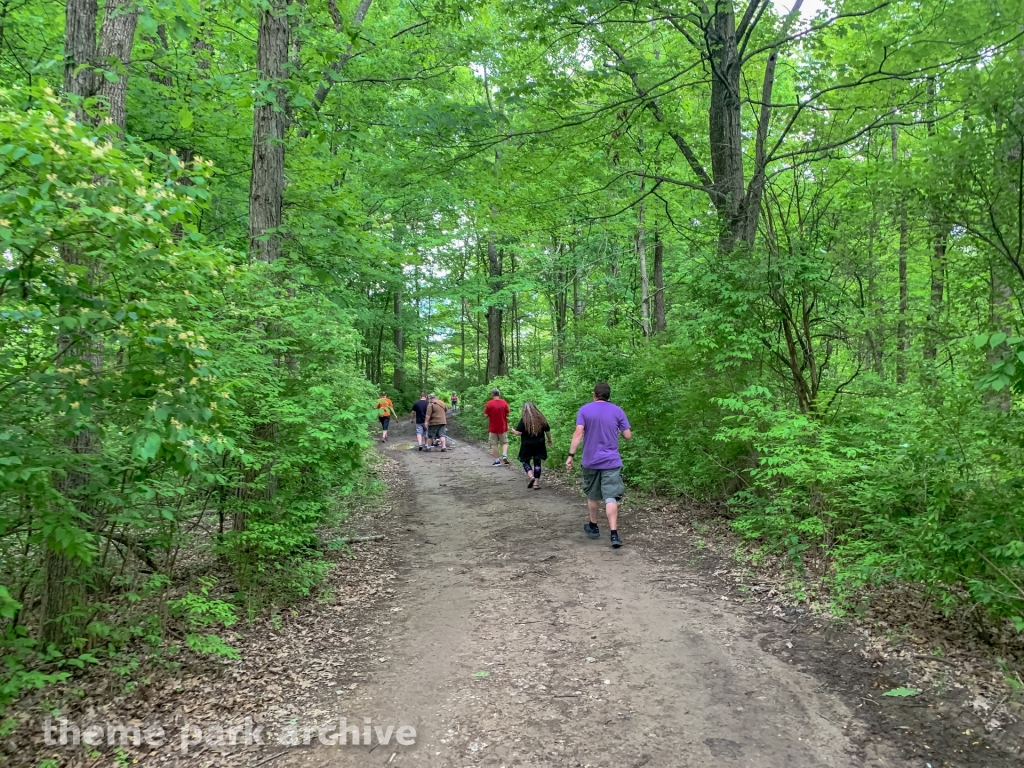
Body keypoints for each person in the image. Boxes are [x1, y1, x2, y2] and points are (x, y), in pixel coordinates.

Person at [566, 382, 631, 549]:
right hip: (611, 461)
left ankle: (593, 526)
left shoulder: (584, 410)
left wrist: (571, 455)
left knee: (593, 495)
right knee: (610, 496)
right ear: (608, 395)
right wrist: (617, 429)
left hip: (590, 460)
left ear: (594, 394)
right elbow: (628, 435)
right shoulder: (617, 410)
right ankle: (614, 534)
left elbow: (578, 433)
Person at [510, 402, 552, 489]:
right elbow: (547, 431)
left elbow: (518, 433)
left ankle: (531, 476)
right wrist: (549, 440)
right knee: (537, 462)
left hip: (527, 444)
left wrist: (513, 430)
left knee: (525, 461)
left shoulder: (524, 420)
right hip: (539, 444)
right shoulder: (541, 419)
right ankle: (536, 483)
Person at [483, 388, 510, 466]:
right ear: (499, 394)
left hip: (493, 427)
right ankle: (504, 454)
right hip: (503, 427)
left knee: (494, 444)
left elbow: (485, 415)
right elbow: (508, 414)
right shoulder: (504, 402)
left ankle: (497, 461)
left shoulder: (489, 403)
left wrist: (490, 414)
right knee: (504, 442)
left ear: (492, 395)